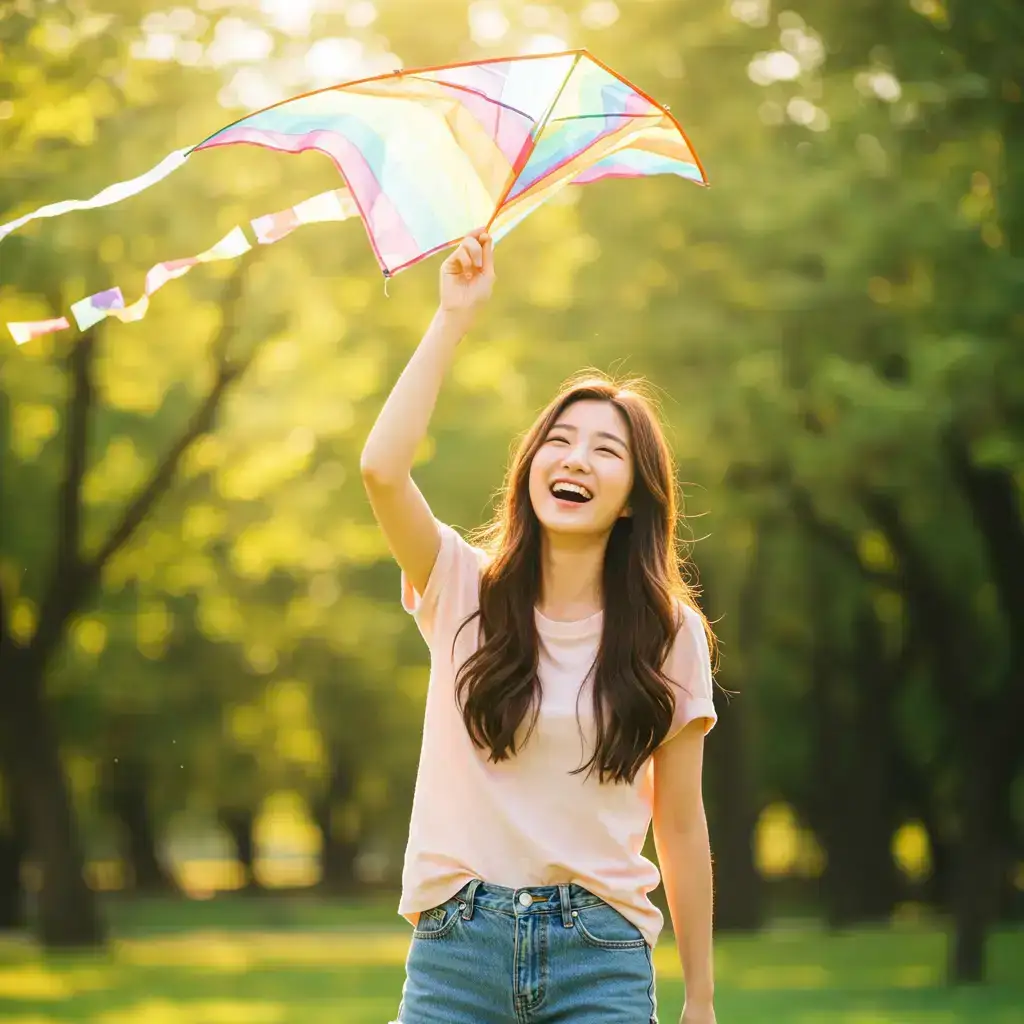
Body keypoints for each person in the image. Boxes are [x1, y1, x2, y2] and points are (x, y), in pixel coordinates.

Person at [361, 230, 718, 1024]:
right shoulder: (460, 586)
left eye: (604, 450)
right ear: (528, 469)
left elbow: (682, 823)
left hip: (601, 957)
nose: (576, 459)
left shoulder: (668, 635)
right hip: (458, 951)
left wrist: (700, 997)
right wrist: (453, 317)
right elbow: (381, 470)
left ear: (633, 497)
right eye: (558, 442)